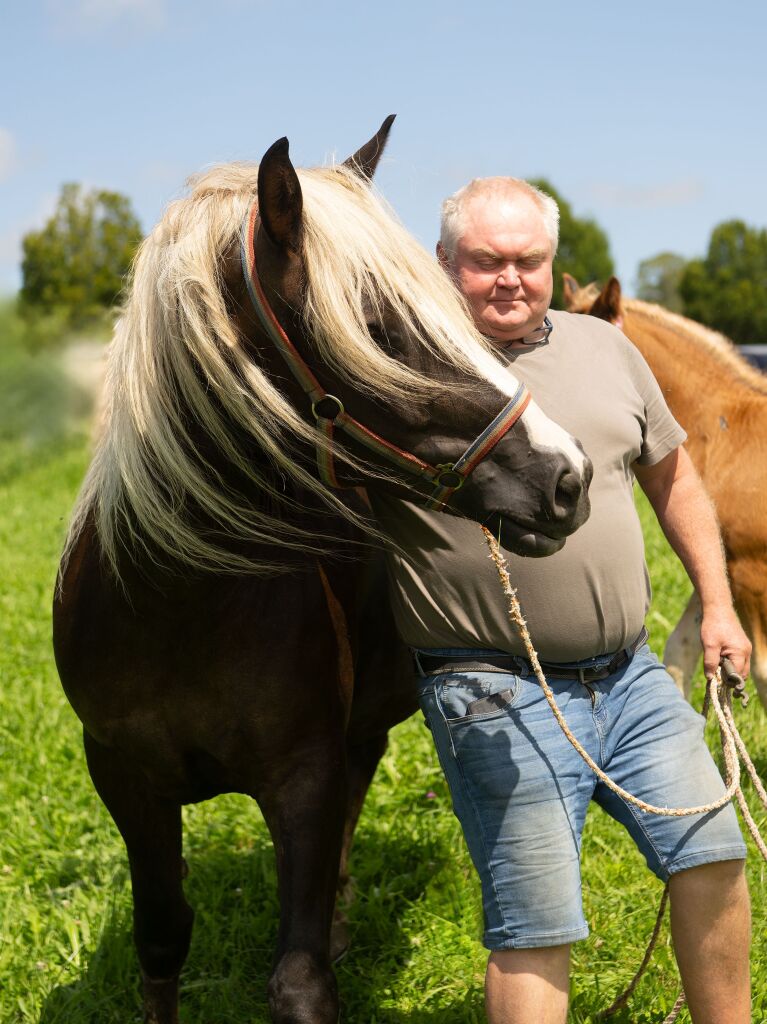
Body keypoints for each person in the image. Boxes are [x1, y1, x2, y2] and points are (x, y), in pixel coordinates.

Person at [369, 177, 752, 1024]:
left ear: (552, 265)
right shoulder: (395, 367)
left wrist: (717, 605)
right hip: (493, 685)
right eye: (485, 261)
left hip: (629, 677)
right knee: (538, 920)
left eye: (528, 260)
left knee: (713, 857)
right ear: (443, 263)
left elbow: (675, 477)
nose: (510, 278)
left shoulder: (603, 347)